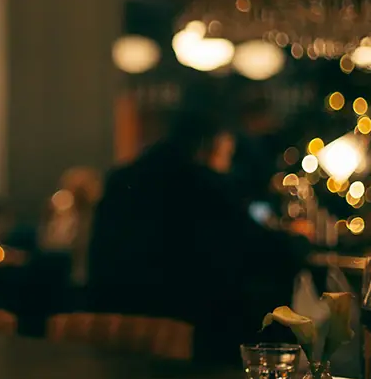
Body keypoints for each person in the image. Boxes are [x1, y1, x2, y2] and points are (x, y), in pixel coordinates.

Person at [87, 109, 309, 362]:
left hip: (112, 327)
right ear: (212, 144)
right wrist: (299, 242)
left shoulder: (124, 177)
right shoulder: (205, 185)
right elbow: (262, 249)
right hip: (186, 335)